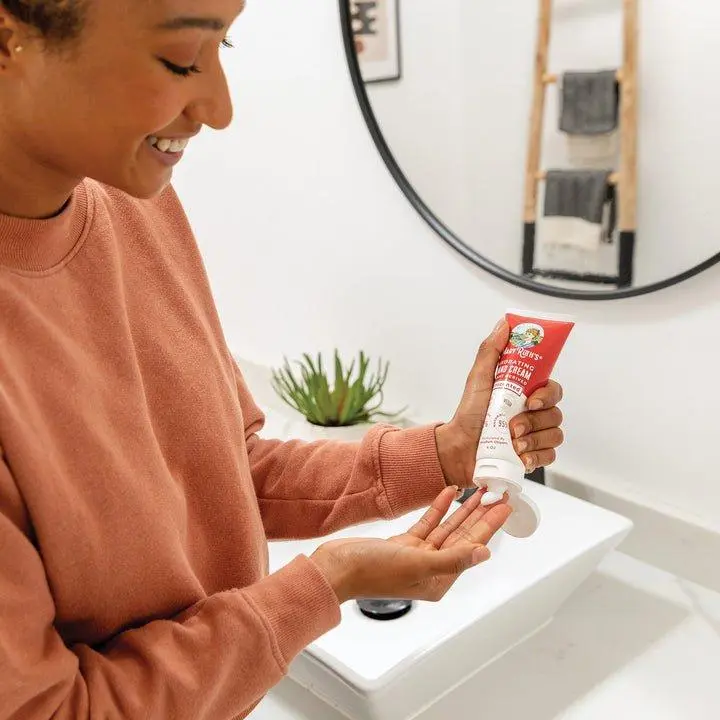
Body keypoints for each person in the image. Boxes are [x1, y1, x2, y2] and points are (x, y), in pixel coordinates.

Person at [0, 2, 566, 718]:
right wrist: (324, 584)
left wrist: (445, 454)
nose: (220, 109)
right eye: (181, 59)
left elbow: (226, 476)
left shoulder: (135, 205)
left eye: (226, 46)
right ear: (8, 41)